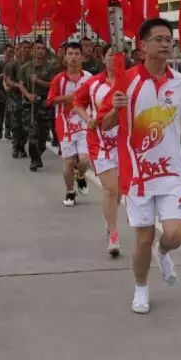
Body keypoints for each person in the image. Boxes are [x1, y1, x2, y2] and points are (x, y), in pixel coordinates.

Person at [100, 17, 181, 314]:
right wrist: (115, 110)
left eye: (168, 39)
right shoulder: (126, 81)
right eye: (158, 39)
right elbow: (104, 124)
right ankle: (141, 288)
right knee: (143, 238)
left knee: (174, 235)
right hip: (137, 173)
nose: (165, 44)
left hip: (171, 171)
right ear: (142, 46)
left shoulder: (180, 82)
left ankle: (164, 252)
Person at [74, 44, 122, 257]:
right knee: (110, 189)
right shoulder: (93, 84)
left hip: (123, 141)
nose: (115, 59)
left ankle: (109, 218)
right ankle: (113, 233)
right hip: (100, 141)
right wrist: (88, 120)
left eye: (119, 55)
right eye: (111, 55)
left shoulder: (130, 82)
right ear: (104, 58)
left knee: (119, 191)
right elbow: (77, 103)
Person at [47, 42, 94, 206]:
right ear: (65, 57)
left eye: (76, 54)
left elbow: (94, 98)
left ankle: (80, 176)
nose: (73, 57)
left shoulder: (89, 78)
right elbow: (51, 101)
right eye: (70, 54)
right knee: (68, 163)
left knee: (85, 160)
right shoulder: (59, 80)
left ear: (82, 56)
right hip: (65, 124)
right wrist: (70, 98)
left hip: (84, 122)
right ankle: (70, 191)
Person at [19, 40, 58, 171]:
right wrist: (28, 95)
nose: (40, 51)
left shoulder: (50, 67)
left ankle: (38, 154)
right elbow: (21, 84)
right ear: (33, 51)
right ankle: (34, 160)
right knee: (32, 133)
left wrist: (38, 81)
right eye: (37, 48)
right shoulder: (25, 68)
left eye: (42, 48)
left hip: (45, 104)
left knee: (42, 136)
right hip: (30, 104)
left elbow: (53, 85)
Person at [5, 40, 32, 158]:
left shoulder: (32, 65)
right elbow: (8, 80)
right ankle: (16, 146)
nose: (26, 50)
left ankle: (22, 145)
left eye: (28, 48)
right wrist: (17, 86)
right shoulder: (12, 65)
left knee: (27, 125)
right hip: (15, 97)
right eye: (23, 48)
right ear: (19, 49)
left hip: (27, 97)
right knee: (16, 125)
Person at [0, 44, 13, 140]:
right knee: (0, 112)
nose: (10, 54)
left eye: (12, 52)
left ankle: (8, 131)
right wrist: (3, 74)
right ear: (4, 52)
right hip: (0, 91)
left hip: (10, 91)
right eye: (9, 52)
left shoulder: (13, 64)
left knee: (9, 112)